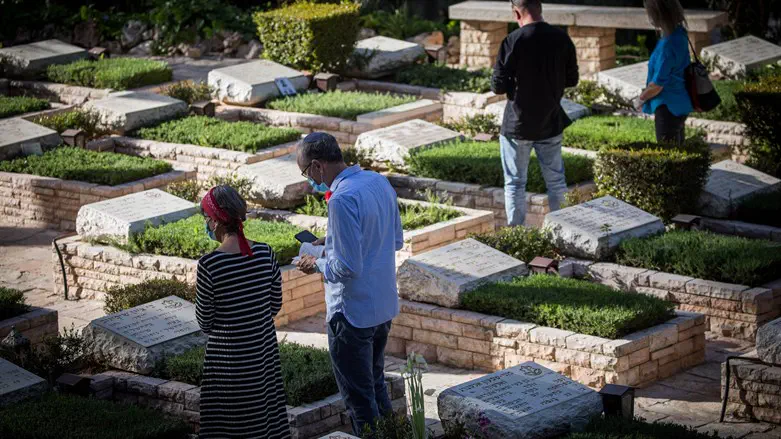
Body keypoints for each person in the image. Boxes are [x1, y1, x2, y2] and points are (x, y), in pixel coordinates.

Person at [295, 132, 403, 434]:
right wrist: (333, 240)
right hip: (382, 305)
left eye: (306, 174)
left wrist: (315, 263)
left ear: (317, 166)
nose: (310, 182)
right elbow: (393, 240)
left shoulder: (341, 199)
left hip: (351, 314)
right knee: (376, 384)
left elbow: (346, 267)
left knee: (359, 400)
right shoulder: (378, 181)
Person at [195, 185, 290, 439]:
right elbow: (274, 305)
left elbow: (205, 321)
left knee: (229, 425)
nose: (206, 223)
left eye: (206, 217)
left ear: (215, 221)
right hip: (262, 355)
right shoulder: (265, 253)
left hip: (227, 360)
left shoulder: (209, 265)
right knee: (264, 418)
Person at [492, 0, 579, 227]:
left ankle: (517, 235)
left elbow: (497, 86)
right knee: (557, 182)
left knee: (515, 183)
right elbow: (572, 79)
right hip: (551, 120)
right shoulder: (561, 38)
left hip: (517, 124)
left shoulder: (513, 40)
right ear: (539, 8)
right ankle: (565, 230)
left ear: (516, 12)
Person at [635, 0, 693, 144]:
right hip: (681, 102)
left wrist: (640, 99)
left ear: (658, 14)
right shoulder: (680, 34)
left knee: (667, 151)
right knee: (679, 149)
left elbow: (657, 84)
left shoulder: (667, 46)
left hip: (667, 107)